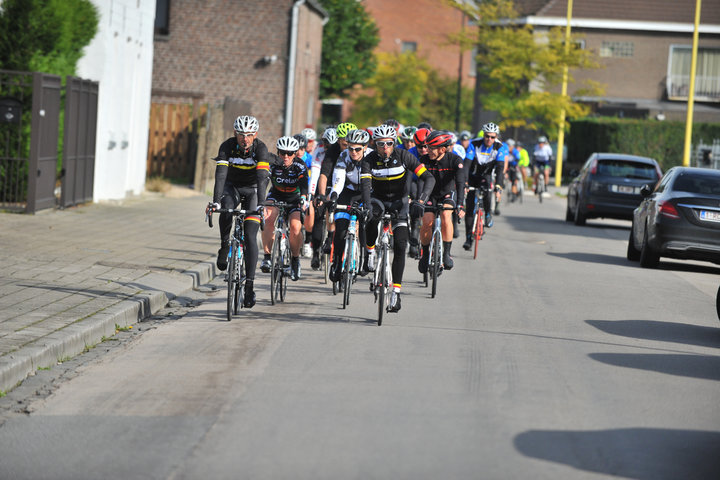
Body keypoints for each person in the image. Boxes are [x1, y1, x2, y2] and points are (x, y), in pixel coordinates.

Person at [360, 124, 435, 313]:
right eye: (380, 144)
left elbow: (428, 178)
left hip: (399, 203)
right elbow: (366, 184)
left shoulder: (404, 156)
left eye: (389, 143)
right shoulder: (368, 159)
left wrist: (421, 200)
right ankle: (369, 253)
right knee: (370, 218)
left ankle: (395, 293)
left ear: (394, 143)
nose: (385, 148)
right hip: (378, 199)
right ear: (374, 144)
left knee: (401, 245)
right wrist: (367, 205)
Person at [207, 115, 269, 308]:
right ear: (235, 133)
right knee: (226, 208)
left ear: (255, 135)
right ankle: (225, 246)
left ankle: (249, 285)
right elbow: (221, 175)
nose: (245, 139)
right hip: (231, 186)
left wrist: (261, 204)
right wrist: (216, 201)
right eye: (241, 135)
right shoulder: (227, 146)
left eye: (249, 135)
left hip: (253, 189)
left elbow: (261, 178)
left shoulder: (261, 148)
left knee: (251, 235)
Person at [260, 136, 309, 281]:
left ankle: (295, 260)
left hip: (295, 197)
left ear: (295, 154)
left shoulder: (300, 166)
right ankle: (267, 257)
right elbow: (264, 179)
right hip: (276, 194)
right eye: (282, 153)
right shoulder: (273, 164)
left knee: (295, 227)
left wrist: (304, 197)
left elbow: (304, 183)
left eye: (290, 153)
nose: (286, 156)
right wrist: (260, 197)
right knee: (267, 218)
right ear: (278, 152)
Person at [327, 129, 372, 282]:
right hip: (348, 192)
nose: (353, 152)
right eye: (350, 148)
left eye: (357, 149)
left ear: (365, 147)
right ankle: (337, 263)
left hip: (367, 193)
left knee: (366, 224)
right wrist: (333, 196)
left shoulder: (372, 156)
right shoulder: (343, 156)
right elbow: (338, 180)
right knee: (340, 229)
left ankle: (366, 257)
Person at [417, 130, 465, 272]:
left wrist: (460, 205)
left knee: (445, 215)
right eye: (427, 147)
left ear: (442, 149)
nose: (427, 150)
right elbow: (421, 182)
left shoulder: (455, 160)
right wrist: (419, 200)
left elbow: (461, 183)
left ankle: (446, 254)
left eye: (431, 148)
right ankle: (425, 255)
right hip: (430, 194)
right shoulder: (424, 160)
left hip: (447, 194)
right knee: (427, 222)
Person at [312, 122, 357, 267]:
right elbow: (323, 174)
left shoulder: (357, 151)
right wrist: (321, 195)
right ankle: (316, 251)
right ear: (338, 141)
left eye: (351, 143)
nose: (348, 147)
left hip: (348, 185)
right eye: (344, 144)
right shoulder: (332, 150)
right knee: (319, 210)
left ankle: (334, 238)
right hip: (331, 181)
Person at [464, 122, 508, 250]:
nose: (489, 139)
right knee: (470, 207)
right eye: (487, 136)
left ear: (496, 137)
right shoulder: (474, 143)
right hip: (473, 175)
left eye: (492, 137)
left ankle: (488, 213)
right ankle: (468, 238)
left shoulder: (500, 147)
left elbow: (500, 169)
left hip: (487, 175)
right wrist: (465, 182)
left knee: (488, 191)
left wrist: (499, 186)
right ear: (483, 135)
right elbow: (466, 164)